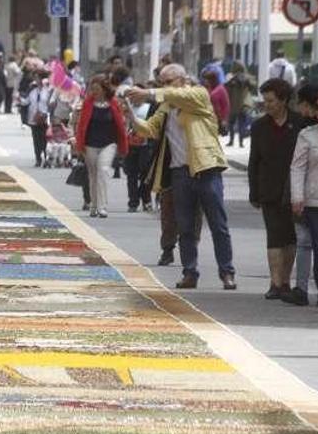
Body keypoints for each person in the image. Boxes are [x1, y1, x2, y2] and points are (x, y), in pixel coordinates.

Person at [125, 64, 237, 290]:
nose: (164, 86)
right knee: (185, 227)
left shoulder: (198, 95)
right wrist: (130, 114)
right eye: (162, 83)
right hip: (179, 172)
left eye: (168, 81)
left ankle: (227, 272)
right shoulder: (166, 107)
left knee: (218, 224)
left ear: (182, 79)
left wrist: (149, 93)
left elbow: (179, 95)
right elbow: (150, 129)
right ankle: (189, 272)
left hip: (206, 168)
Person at [250, 78, 305, 300]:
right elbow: (254, 161)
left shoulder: (300, 123)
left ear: (283, 100)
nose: (267, 104)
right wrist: (254, 192)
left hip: (293, 189)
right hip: (269, 188)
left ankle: (285, 282)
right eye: (265, 100)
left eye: (271, 100)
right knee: (274, 236)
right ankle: (274, 282)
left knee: (290, 238)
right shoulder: (259, 126)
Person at [284, 89, 318, 306]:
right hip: (311, 199)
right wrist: (296, 196)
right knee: (312, 245)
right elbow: (296, 168)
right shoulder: (306, 133)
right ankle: (310, 291)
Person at [75, 74, 129, 218]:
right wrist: (79, 145)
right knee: (93, 175)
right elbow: (81, 126)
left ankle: (102, 206)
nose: (95, 92)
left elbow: (120, 125)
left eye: (97, 89)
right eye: (93, 89)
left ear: (105, 90)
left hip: (109, 144)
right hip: (90, 144)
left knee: (103, 171)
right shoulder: (87, 103)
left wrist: (123, 145)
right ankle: (93, 204)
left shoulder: (113, 103)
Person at [124, 85, 154, 212]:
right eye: (131, 94)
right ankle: (133, 202)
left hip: (145, 145)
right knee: (131, 175)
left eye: (136, 93)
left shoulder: (150, 107)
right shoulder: (126, 108)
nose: (133, 97)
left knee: (145, 174)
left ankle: (146, 200)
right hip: (130, 145)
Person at [26, 68, 54, 167]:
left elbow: (51, 104)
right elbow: (27, 101)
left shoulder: (49, 91)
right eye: (35, 78)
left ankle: (46, 157)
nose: (36, 80)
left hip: (44, 118)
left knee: (44, 138)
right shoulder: (32, 90)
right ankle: (38, 158)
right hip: (33, 117)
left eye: (37, 78)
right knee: (36, 139)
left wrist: (46, 113)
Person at [224, 62, 256, 147]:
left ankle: (231, 141)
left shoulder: (232, 79)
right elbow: (252, 87)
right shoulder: (247, 78)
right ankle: (241, 143)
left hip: (234, 105)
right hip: (244, 104)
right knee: (242, 123)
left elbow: (226, 88)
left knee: (231, 123)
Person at [202, 70, 230, 135]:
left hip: (217, 120)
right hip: (214, 118)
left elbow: (222, 107)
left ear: (211, 80)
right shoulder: (213, 88)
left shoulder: (218, 91)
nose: (205, 82)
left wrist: (223, 120)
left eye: (206, 80)